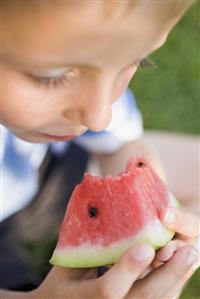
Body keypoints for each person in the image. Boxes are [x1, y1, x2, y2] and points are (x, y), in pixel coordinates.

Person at [0, 1, 199, 298]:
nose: (99, 115)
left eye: (138, 60)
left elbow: (121, 147)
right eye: (51, 76)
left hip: (37, 173)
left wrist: (155, 224)